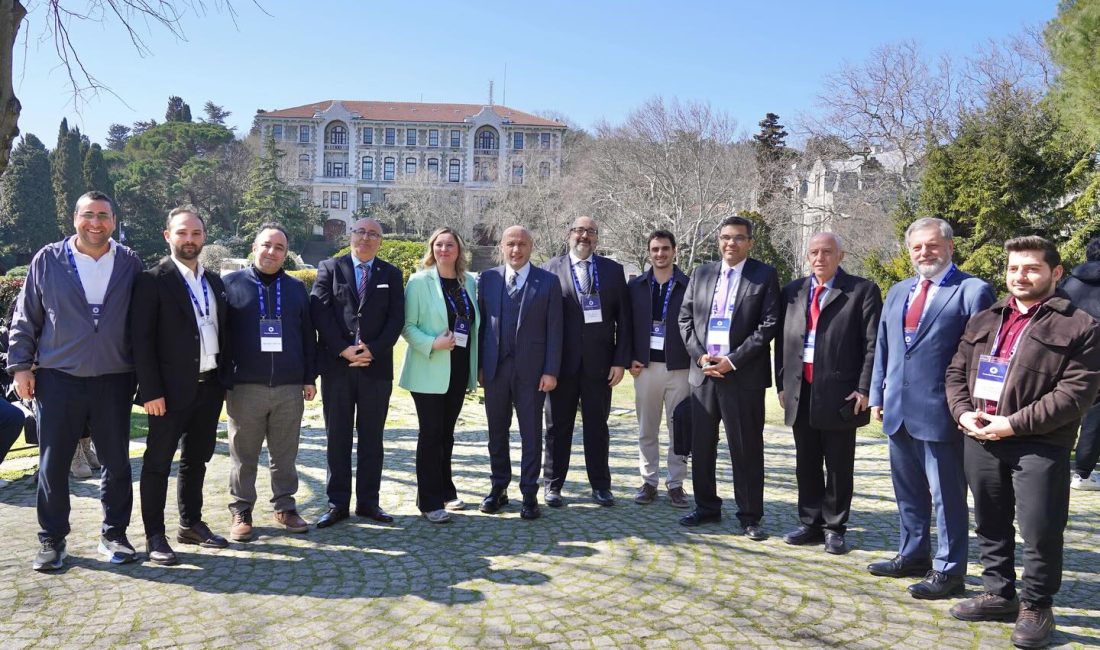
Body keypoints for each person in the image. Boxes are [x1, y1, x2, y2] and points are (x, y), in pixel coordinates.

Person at [945, 236, 1100, 648]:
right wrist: (963, 412)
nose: (1020, 276)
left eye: (1031, 268)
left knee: (1040, 528)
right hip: (980, 436)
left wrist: (1011, 424)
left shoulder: (1080, 326)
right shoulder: (985, 318)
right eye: (1014, 268)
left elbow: (1074, 395)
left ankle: (1036, 605)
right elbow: (956, 371)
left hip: (1039, 444)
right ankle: (998, 593)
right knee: (990, 521)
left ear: (1056, 273)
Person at [7, 191, 144, 571]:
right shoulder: (48, 260)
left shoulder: (130, 262)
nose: (95, 223)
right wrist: (21, 367)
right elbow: (26, 317)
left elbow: (144, 322)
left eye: (103, 215)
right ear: (74, 218)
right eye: (88, 215)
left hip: (115, 380)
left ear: (114, 221)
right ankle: (52, 540)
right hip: (58, 379)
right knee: (53, 463)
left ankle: (114, 534)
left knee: (117, 463)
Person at [868, 217, 994, 599]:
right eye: (917, 247)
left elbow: (980, 355)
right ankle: (913, 553)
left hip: (944, 412)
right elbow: (884, 348)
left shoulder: (973, 291)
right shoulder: (898, 291)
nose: (925, 252)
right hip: (898, 410)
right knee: (907, 491)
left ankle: (949, 568)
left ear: (950, 247)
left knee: (947, 496)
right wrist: (877, 394)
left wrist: (971, 408)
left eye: (932, 245)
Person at [130, 206, 232, 565]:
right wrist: (151, 392)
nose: (190, 240)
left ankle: (190, 523)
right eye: (182, 233)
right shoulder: (151, 280)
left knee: (197, 460)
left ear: (204, 237)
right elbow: (140, 343)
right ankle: (154, 536)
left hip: (209, 387)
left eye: (196, 234)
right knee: (158, 463)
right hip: (168, 393)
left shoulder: (214, 282)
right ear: (168, 236)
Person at [774, 232, 881, 554]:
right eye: (814, 253)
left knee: (837, 464)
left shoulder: (861, 291)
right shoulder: (793, 291)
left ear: (841, 255)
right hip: (800, 390)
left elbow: (873, 344)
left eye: (827, 252)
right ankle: (810, 523)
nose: (819, 258)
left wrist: (864, 388)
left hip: (841, 393)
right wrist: (782, 383)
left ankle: (834, 527)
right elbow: (782, 342)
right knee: (805, 461)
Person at [677, 215, 780, 540]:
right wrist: (699, 355)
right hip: (704, 374)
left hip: (742, 377)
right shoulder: (702, 273)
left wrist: (732, 361)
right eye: (725, 237)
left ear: (750, 242)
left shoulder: (764, 276)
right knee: (701, 446)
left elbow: (768, 325)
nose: (730, 243)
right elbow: (684, 318)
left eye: (737, 238)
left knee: (745, 447)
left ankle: (750, 515)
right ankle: (706, 506)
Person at [223, 223, 317, 542]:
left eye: (279, 247)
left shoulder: (294, 289)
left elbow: (307, 336)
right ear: (254, 247)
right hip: (245, 386)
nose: (271, 252)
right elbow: (221, 337)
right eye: (266, 245)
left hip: (289, 386)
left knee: (285, 453)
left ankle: (285, 506)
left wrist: (309, 378)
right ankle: (241, 509)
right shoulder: (231, 284)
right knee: (243, 453)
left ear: (285, 254)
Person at [311, 218, 404, 528]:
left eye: (373, 234)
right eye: (361, 232)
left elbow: (396, 319)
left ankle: (368, 503)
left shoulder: (390, 274)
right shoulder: (329, 268)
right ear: (351, 235)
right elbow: (320, 312)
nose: (366, 238)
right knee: (336, 437)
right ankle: (337, 504)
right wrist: (342, 348)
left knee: (372, 438)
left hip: (375, 369)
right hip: (338, 368)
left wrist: (372, 350)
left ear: (381, 240)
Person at [542, 216, 630, 507]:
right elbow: (543, 322)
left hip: (600, 366)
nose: (584, 236)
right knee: (557, 427)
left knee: (597, 426)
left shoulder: (613, 271)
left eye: (590, 232)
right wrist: (547, 366)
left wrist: (620, 361)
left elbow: (624, 320)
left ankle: (601, 486)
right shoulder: (551, 269)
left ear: (597, 238)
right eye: (579, 231)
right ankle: (553, 485)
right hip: (561, 366)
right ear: (569, 235)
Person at [477, 225, 563, 520]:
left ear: (531, 246)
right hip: (495, 370)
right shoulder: (487, 280)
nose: (516, 250)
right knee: (496, 433)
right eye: (510, 244)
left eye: (522, 244)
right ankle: (498, 488)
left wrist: (551, 370)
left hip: (533, 372)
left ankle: (529, 494)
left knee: (530, 435)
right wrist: (479, 367)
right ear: (501, 247)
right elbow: (480, 327)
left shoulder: (548, 282)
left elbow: (555, 329)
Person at [400, 227, 480, 523]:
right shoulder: (419, 282)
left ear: (459, 250)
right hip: (429, 367)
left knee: (447, 434)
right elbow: (407, 326)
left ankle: (446, 489)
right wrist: (433, 343)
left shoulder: (468, 282)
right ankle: (429, 500)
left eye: (450, 245)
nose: (444, 249)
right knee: (431, 434)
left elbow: (472, 325)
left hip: (458, 369)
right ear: (432, 249)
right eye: (439, 244)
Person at [627, 230, 692, 508]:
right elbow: (625, 326)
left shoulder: (689, 285)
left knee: (679, 429)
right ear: (648, 252)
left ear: (674, 251)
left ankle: (676, 484)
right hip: (646, 367)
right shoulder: (636, 286)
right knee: (647, 428)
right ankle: (649, 481)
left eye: (665, 249)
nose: (660, 254)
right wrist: (631, 357)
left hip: (680, 369)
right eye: (655, 249)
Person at [1059, 236, 1100, 491]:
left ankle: (1057, 465)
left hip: (1067, 354)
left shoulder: (1069, 283)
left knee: (1063, 407)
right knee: (1096, 414)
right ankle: (1083, 474)